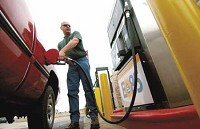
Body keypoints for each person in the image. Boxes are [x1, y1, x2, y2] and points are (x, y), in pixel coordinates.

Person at [57, 21, 100, 129]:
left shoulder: (75, 34)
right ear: (60, 27)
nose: (68, 27)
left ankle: (94, 117)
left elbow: (75, 42)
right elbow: (63, 56)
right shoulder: (60, 44)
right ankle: (74, 121)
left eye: (69, 25)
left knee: (88, 88)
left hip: (82, 61)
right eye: (65, 25)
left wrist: (62, 51)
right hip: (72, 65)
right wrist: (66, 59)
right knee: (72, 91)